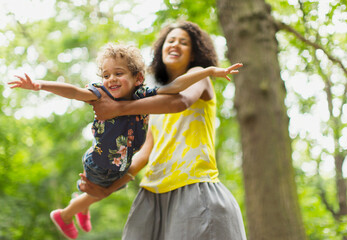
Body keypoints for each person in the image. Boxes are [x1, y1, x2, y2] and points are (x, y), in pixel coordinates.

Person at [8, 42, 242, 240]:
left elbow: (176, 88)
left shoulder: (143, 95)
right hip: (98, 164)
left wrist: (210, 71)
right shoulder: (101, 94)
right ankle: (76, 204)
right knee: (100, 188)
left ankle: (76, 206)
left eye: (118, 74)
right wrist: (40, 85)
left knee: (116, 185)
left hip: (120, 164)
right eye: (106, 75)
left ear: (138, 78)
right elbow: (74, 92)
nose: (111, 80)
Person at [79, 21, 247, 240]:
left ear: (194, 54)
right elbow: (143, 155)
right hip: (152, 196)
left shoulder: (200, 75)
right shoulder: (151, 100)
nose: (175, 44)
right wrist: (108, 189)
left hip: (194, 190)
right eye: (171, 40)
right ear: (161, 49)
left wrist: (117, 109)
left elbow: (180, 103)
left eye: (184, 42)